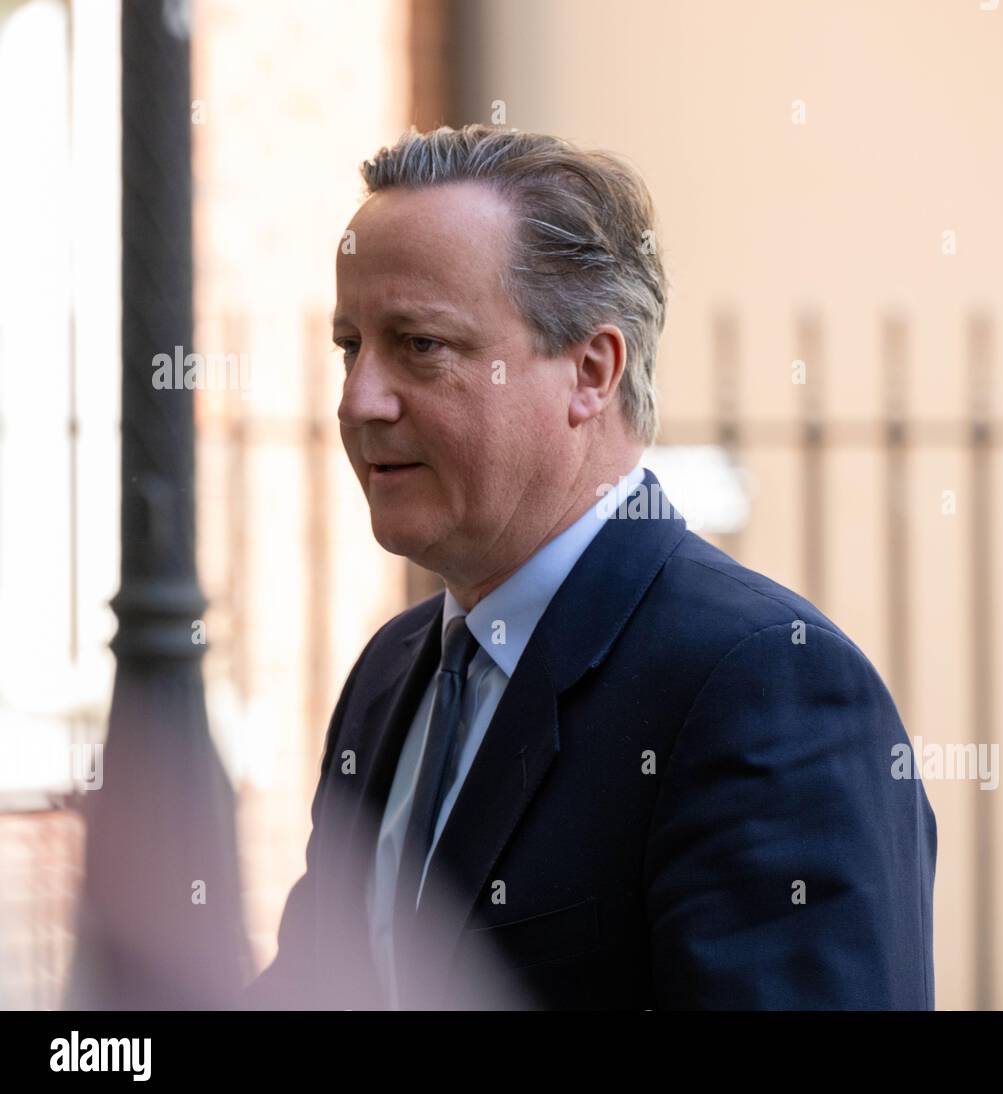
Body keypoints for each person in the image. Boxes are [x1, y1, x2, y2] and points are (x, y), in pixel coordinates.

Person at [242, 124, 936, 1010]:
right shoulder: (389, 676)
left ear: (591, 370)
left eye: (420, 344)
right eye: (351, 346)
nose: (359, 399)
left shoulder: (766, 684)